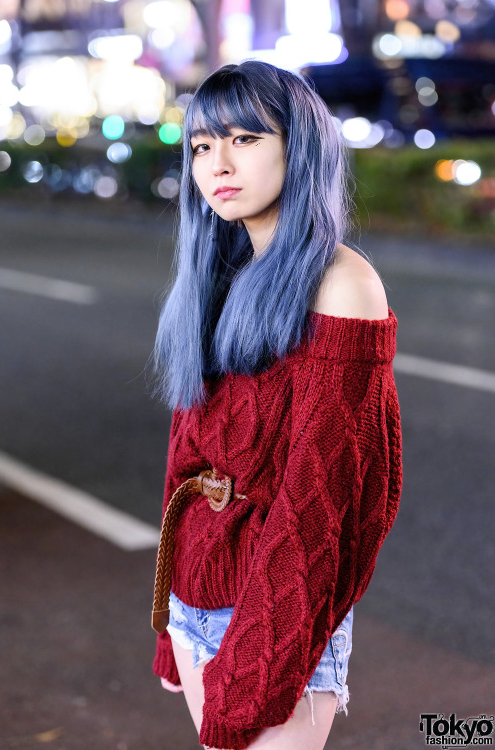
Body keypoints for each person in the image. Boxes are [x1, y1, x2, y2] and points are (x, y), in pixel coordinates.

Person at [150, 60, 402, 750]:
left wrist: (254, 671)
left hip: (279, 619)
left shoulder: (343, 283)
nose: (217, 164)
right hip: (195, 597)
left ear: (300, 146)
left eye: (245, 139)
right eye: (202, 146)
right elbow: (187, 463)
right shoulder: (217, 273)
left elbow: (327, 507)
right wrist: (173, 632)